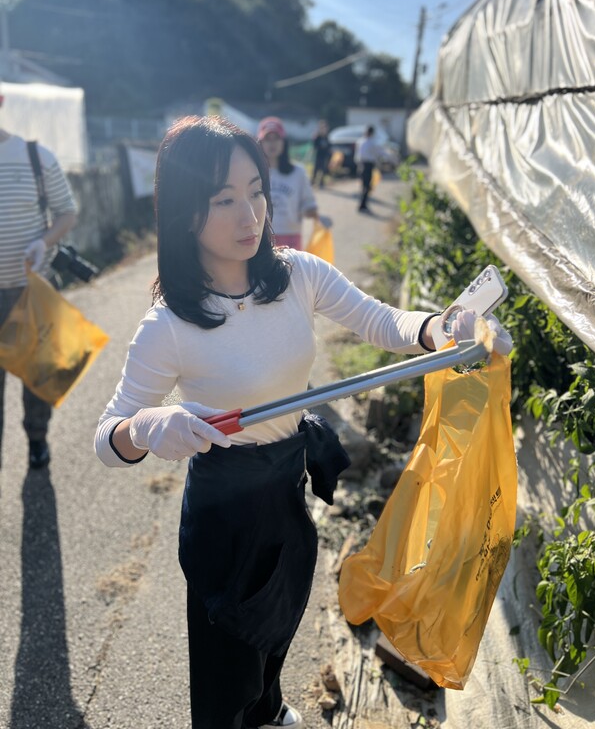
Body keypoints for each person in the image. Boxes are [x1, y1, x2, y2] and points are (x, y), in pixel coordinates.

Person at [94, 115, 512, 729]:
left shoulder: (297, 275)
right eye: (224, 200)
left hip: (287, 479)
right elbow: (107, 438)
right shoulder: (169, 326)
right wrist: (150, 427)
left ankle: (268, 709)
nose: (251, 215)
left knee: (280, 616)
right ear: (185, 213)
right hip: (224, 509)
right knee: (225, 659)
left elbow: (381, 321)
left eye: (256, 192)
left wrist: (444, 328)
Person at [0, 117, 78, 470]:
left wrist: (42, 242)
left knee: (38, 381)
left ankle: (37, 439)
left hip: (33, 287)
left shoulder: (35, 156)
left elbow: (66, 213)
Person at [257, 116, 319, 249]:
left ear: (284, 142)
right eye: (267, 139)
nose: (272, 143)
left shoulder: (298, 172)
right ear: (260, 143)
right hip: (261, 237)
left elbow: (308, 203)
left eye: (276, 138)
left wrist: (313, 212)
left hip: (291, 237)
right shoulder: (254, 173)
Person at [354, 125, 384, 213]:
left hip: (361, 165)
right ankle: (362, 205)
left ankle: (363, 204)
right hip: (367, 165)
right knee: (366, 186)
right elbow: (379, 153)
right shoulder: (371, 142)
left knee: (364, 186)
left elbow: (357, 155)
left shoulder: (360, 141)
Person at [311, 120, 331, 189]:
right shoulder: (318, 137)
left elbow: (329, 146)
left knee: (323, 169)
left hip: (324, 156)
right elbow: (314, 146)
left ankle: (321, 183)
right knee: (316, 169)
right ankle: (312, 182)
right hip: (318, 155)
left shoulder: (326, 137)